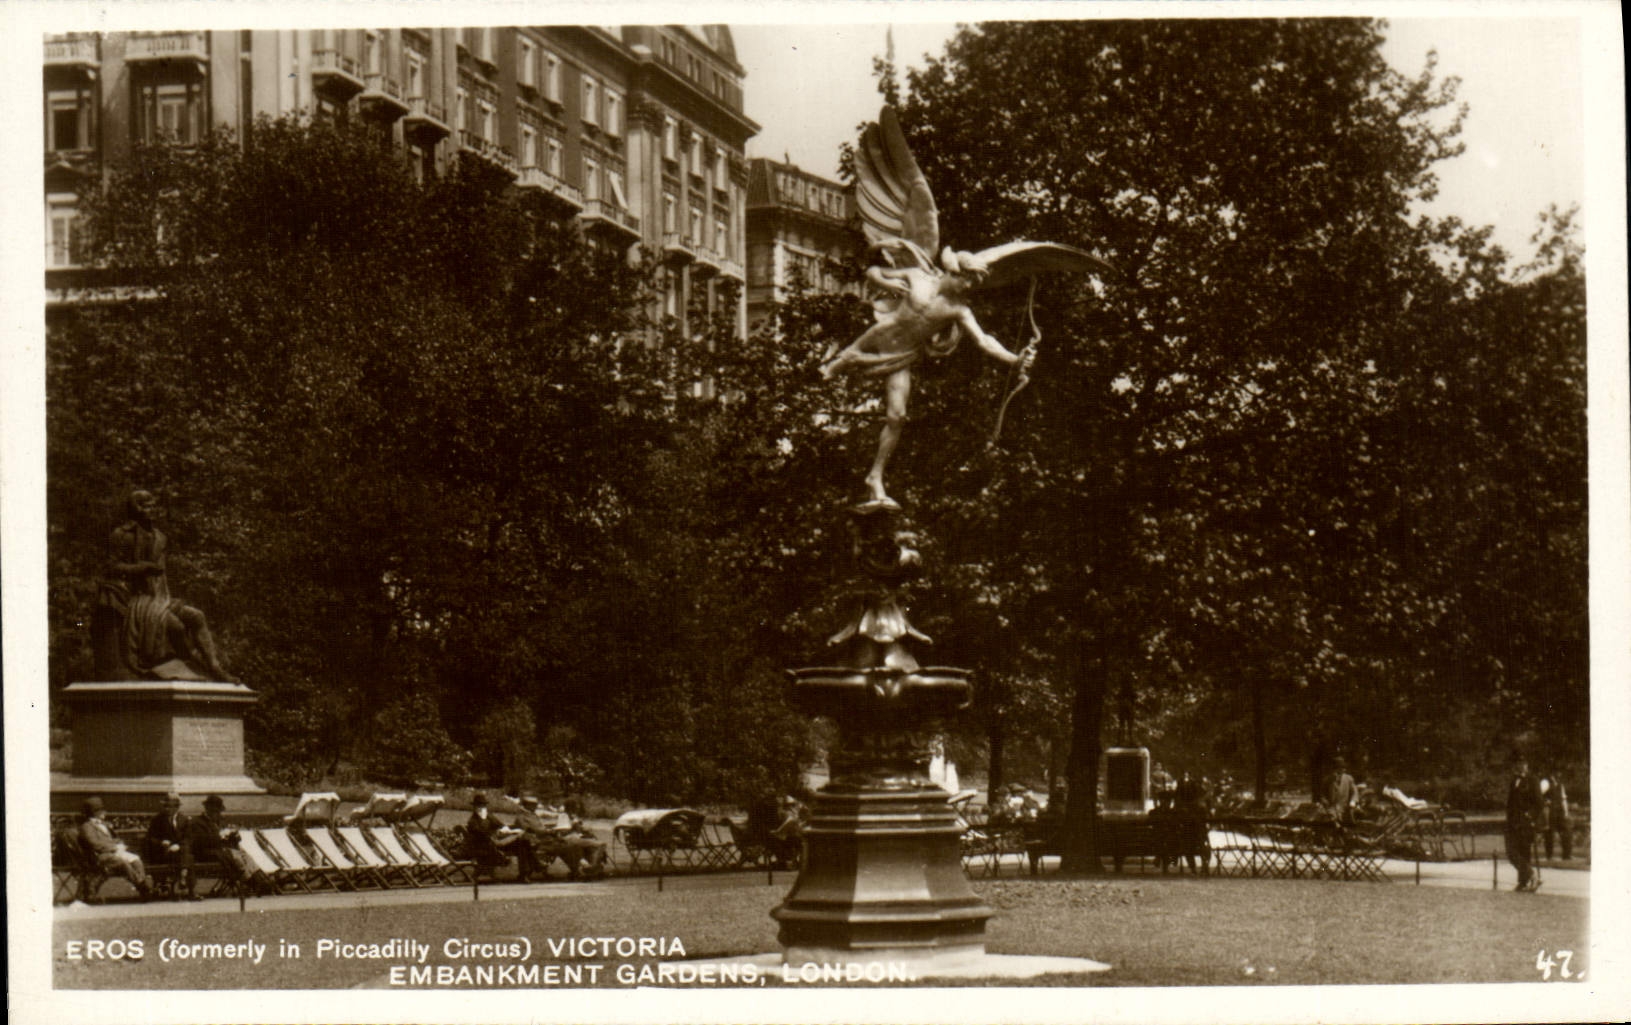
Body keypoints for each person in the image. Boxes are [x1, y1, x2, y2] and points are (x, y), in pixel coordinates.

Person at [92, 490, 234, 681]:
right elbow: (111, 567)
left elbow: (163, 574)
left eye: (153, 506)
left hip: (160, 597)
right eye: (147, 506)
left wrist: (163, 594)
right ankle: (187, 663)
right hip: (135, 598)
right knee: (177, 627)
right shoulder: (121, 535)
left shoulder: (160, 537)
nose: (153, 510)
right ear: (137, 509)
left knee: (197, 616)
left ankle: (214, 667)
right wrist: (142, 568)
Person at [514, 795, 606, 881]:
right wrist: (548, 831)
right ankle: (581, 870)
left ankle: (580, 870)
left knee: (569, 846)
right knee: (568, 846)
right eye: (533, 805)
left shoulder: (532, 814)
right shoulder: (522, 817)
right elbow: (529, 830)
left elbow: (540, 828)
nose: (535, 806)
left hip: (548, 840)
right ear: (527, 805)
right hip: (538, 842)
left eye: (535, 804)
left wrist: (550, 831)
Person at [78, 797, 154, 900]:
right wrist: (113, 848)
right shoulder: (87, 826)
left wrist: (120, 844)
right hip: (100, 856)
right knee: (123, 862)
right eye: (101, 810)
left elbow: (114, 838)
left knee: (136, 860)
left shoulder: (104, 824)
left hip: (114, 853)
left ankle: (143, 887)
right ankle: (142, 886)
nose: (105, 812)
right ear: (95, 812)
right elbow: (94, 844)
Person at [187, 794, 260, 898]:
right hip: (207, 853)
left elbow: (234, 840)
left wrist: (234, 835)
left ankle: (258, 877)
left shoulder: (219, 821)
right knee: (235, 856)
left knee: (244, 855)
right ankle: (250, 882)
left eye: (218, 811)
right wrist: (220, 836)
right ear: (207, 809)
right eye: (215, 811)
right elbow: (201, 842)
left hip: (223, 851)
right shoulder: (197, 822)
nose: (217, 813)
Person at [464, 793, 538, 882]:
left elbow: (500, 825)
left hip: (496, 842)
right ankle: (535, 866)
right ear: (474, 807)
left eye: (483, 805)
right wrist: (496, 832)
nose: (481, 808)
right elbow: (481, 834)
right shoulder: (473, 821)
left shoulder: (489, 816)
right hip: (486, 846)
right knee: (522, 842)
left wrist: (504, 830)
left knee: (523, 844)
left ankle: (525, 873)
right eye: (479, 805)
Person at [1506, 757, 1545, 892]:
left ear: (1527, 765)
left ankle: (1524, 882)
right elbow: (1510, 804)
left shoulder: (1532, 780)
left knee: (1524, 852)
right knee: (1511, 852)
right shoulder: (1514, 781)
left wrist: (1530, 816)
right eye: (1518, 763)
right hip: (1513, 823)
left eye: (1523, 763)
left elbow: (1539, 803)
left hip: (1525, 823)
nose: (1521, 766)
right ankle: (1531, 875)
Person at [143, 793, 191, 898]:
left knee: (184, 851)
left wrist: (178, 846)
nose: (169, 809)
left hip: (179, 852)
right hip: (162, 853)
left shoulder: (184, 820)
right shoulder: (157, 820)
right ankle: (183, 876)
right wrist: (161, 842)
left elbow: (188, 838)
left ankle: (181, 877)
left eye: (172, 806)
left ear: (177, 807)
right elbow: (150, 838)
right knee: (186, 856)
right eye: (166, 806)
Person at [1540, 769, 1572, 861]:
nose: (1559, 774)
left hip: (1560, 811)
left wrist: (1566, 812)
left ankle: (1566, 855)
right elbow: (1538, 795)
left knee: (1566, 831)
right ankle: (1549, 855)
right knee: (1549, 833)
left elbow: (1563, 798)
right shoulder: (1545, 782)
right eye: (1557, 772)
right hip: (1550, 811)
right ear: (1552, 772)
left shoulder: (1560, 784)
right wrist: (1545, 801)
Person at [1324, 757, 1357, 826]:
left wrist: (1353, 801)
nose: (1338, 772)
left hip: (1345, 808)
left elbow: (1354, 792)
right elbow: (1322, 795)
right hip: (1332, 809)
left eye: (1341, 768)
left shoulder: (1348, 779)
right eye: (1336, 769)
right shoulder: (1328, 780)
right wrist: (1325, 801)